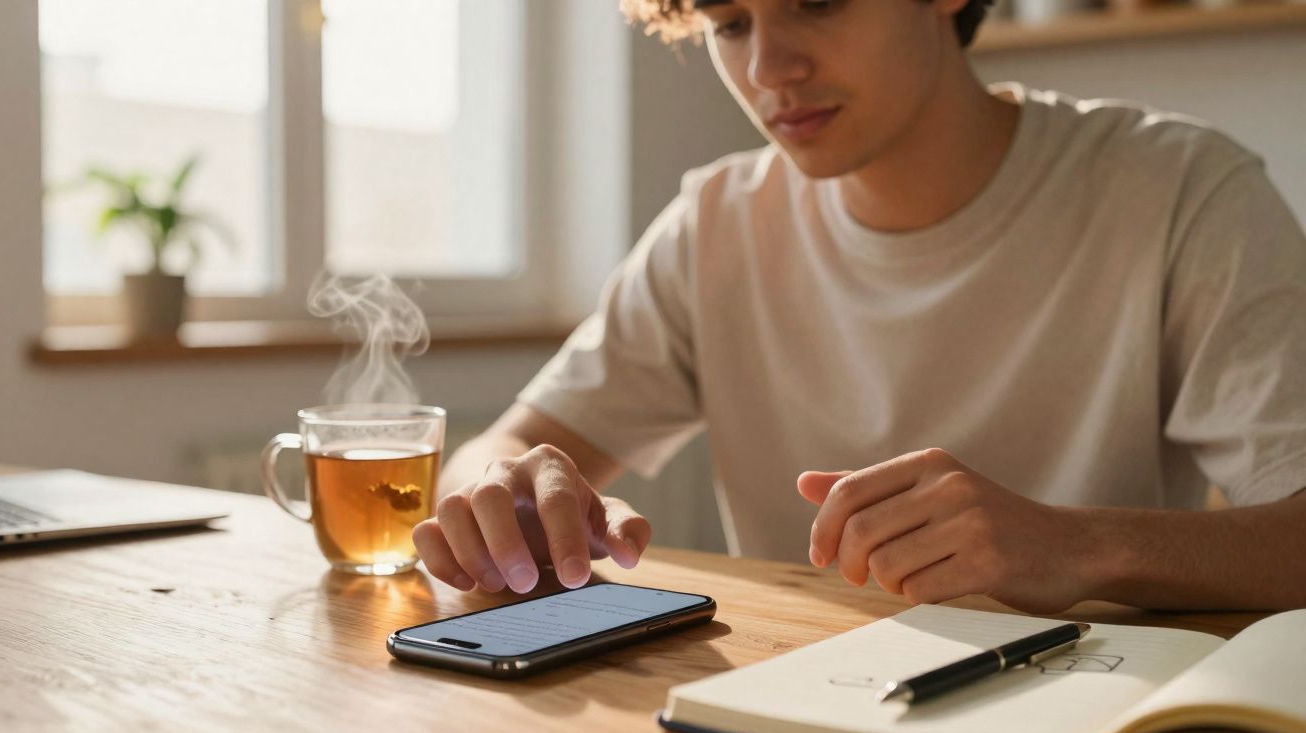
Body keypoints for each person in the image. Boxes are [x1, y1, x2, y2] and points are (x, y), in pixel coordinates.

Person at [413, 0, 1306, 613]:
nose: (769, 68)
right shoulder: (716, 223)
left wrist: (1075, 549)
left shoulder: (1182, 190)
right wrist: (503, 487)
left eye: (819, 1)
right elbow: (499, 452)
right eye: (730, 22)